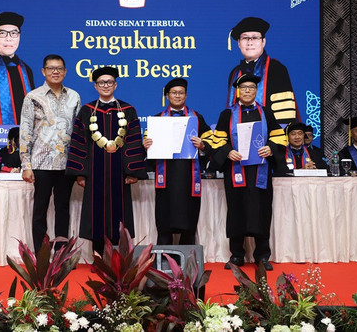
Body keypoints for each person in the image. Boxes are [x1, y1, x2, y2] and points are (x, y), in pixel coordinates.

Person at [205, 74, 286, 271]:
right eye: (244, 87)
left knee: (262, 210)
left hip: (260, 171)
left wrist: (270, 148)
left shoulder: (266, 113)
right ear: (238, 91)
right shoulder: (227, 115)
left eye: (251, 87)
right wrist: (227, 151)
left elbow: (280, 138)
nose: (248, 90)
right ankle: (237, 255)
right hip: (236, 170)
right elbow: (218, 141)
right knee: (236, 210)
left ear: (256, 91)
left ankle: (262, 255)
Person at [66, 66, 147, 256]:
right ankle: (98, 257)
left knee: (120, 216)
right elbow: (79, 142)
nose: (106, 85)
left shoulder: (128, 110)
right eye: (101, 82)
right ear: (95, 86)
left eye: (109, 82)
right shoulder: (86, 111)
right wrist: (81, 173)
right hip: (95, 173)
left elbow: (134, 140)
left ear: (115, 85)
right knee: (96, 215)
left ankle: (119, 258)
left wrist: (132, 171)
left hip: (119, 174)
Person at [20, 54, 81, 252]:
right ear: (43, 71)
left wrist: (79, 165)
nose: (56, 72)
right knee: (40, 210)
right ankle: (41, 254)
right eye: (51, 68)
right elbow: (25, 131)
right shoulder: (33, 97)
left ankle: (62, 253)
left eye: (59, 69)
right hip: (41, 164)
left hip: (66, 164)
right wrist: (26, 165)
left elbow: (79, 134)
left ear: (65, 72)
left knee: (63, 209)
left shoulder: (74, 97)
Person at [142, 78, 213, 245]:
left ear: (186, 96)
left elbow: (211, 142)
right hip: (167, 176)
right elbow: (147, 143)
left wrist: (202, 145)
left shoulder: (197, 118)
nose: (178, 95)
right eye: (174, 92)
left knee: (188, 216)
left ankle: (187, 259)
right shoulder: (157, 119)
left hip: (189, 176)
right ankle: (163, 257)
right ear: (167, 95)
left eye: (181, 93)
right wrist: (146, 145)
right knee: (165, 217)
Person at [226, 16, 297, 128]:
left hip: (270, 138)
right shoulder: (234, 73)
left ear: (263, 42)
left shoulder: (276, 69)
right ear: (239, 43)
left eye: (255, 38)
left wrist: (273, 143)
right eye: (245, 38)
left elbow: (285, 117)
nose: (250, 43)